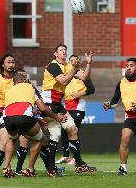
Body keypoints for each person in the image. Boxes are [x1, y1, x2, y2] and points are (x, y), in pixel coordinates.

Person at [41, 44, 97, 177]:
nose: (64, 52)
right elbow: (63, 81)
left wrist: (88, 64)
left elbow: (84, 78)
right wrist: (75, 68)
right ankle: (51, 169)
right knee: (55, 134)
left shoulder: (67, 66)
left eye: (65, 50)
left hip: (57, 104)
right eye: (61, 50)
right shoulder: (53, 65)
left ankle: (79, 165)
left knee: (73, 130)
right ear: (55, 54)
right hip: (48, 104)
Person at [3, 71, 66, 177]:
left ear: (14, 82)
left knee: (12, 139)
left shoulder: (9, 91)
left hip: (7, 119)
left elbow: (17, 109)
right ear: (23, 80)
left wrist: (36, 119)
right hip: (24, 118)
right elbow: (42, 108)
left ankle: (7, 168)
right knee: (39, 140)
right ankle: (30, 169)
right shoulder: (30, 87)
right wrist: (56, 117)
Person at [56, 53, 95, 164]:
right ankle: (65, 156)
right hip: (67, 106)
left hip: (78, 106)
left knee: (73, 131)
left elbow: (92, 89)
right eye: (71, 60)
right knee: (64, 129)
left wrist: (80, 93)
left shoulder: (81, 73)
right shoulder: (66, 74)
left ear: (78, 62)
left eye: (75, 60)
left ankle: (75, 158)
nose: (73, 62)